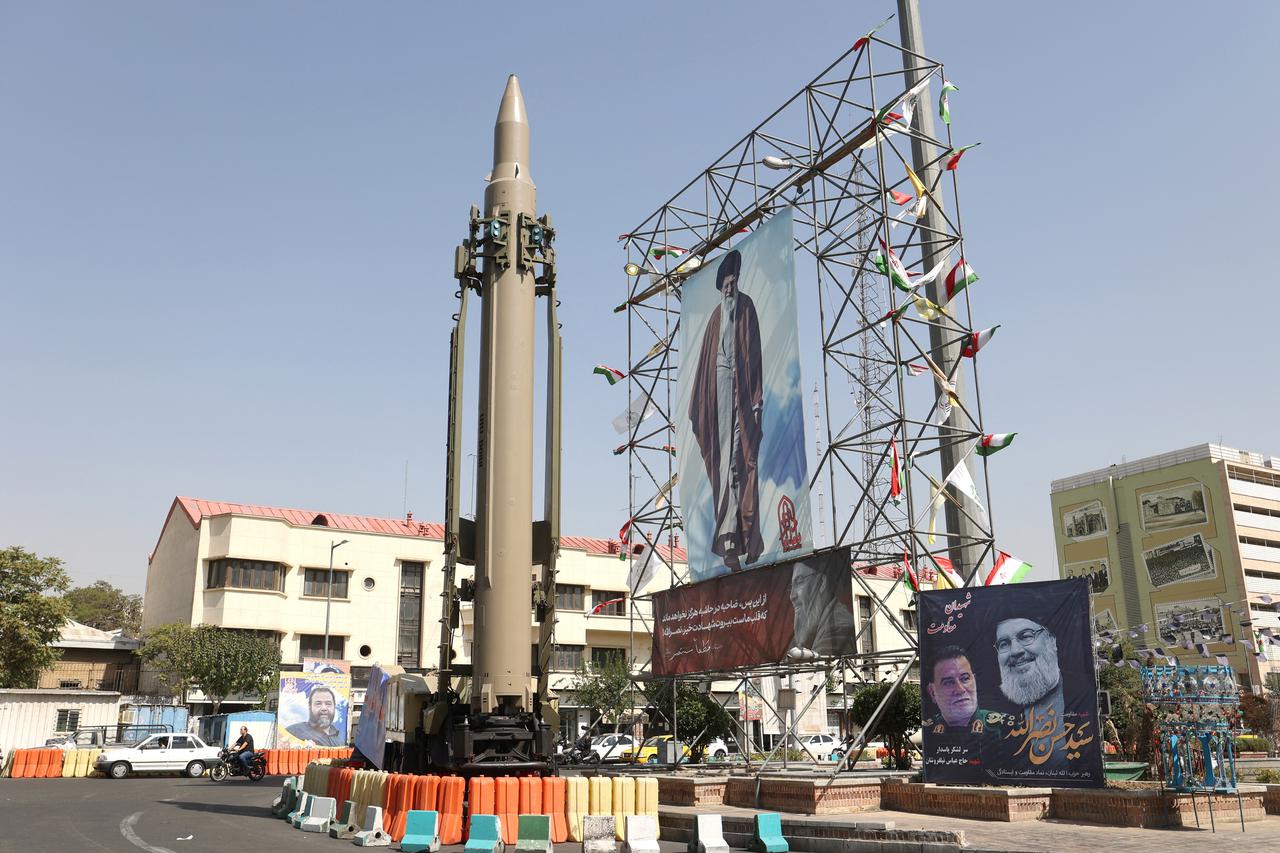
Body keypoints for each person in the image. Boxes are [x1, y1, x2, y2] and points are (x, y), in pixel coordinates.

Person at [689, 249, 764, 571]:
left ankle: (748, 539)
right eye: (725, 284)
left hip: (743, 392)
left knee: (744, 463)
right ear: (720, 287)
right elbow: (706, 366)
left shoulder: (746, 307)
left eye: (733, 282)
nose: (729, 288)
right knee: (727, 466)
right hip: (719, 391)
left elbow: (755, 353)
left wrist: (756, 399)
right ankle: (730, 540)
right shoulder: (715, 317)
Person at [788, 558, 856, 658]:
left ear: (822, 582)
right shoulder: (807, 627)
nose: (792, 596)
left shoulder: (840, 628)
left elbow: (819, 669)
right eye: (791, 586)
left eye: (799, 582)